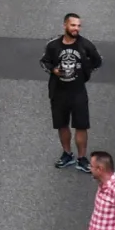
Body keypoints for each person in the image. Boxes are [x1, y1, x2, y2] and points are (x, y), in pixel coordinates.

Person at [41, 13, 103, 172]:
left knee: (81, 126)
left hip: (78, 92)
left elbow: (98, 61)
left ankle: (82, 158)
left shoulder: (86, 45)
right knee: (62, 125)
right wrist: (53, 70)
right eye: (73, 25)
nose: (76, 28)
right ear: (65, 25)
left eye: (78, 26)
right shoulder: (53, 45)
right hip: (58, 92)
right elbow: (44, 62)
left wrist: (85, 73)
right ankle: (67, 154)